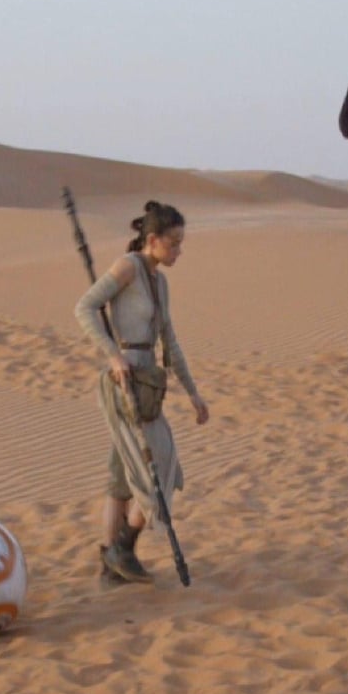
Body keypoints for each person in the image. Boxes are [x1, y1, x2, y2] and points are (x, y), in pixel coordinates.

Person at [74, 200, 209, 584]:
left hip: (148, 383)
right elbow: (85, 308)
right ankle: (122, 546)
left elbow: (170, 342)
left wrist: (193, 393)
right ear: (152, 239)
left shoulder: (159, 281)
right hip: (125, 383)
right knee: (159, 467)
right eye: (174, 243)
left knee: (122, 477)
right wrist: (113, 356)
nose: (179, 251)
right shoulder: (128, 267)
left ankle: (110, 564)